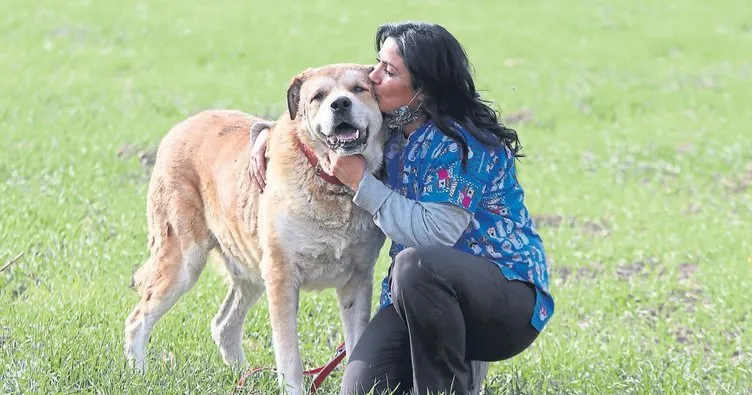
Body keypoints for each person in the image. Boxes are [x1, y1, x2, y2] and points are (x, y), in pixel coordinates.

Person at [250, 21, 554, 395]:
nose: (373, 77)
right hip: (420, 300)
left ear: (422, 90)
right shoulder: (390, 130)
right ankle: (449, 362)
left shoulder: (461, 145)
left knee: (415, 263)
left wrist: (360, 182)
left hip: (504, 303)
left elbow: (434, 236)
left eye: (388, 71)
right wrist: (265, 134)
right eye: (377, 65)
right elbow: (318, 119)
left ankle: (452, 382)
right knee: (361, 389)